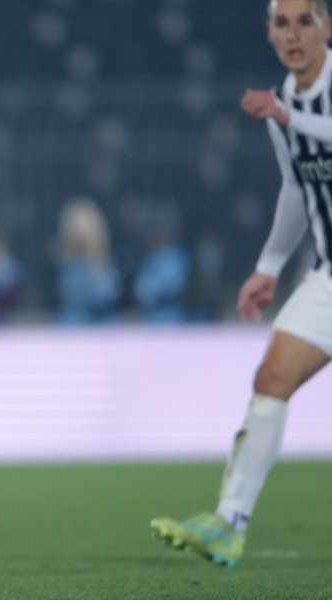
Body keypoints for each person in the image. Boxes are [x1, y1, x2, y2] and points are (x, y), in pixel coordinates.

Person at [151, 0, 332, 567]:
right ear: (269, 33)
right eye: (281, 23)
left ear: (328, 27)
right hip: (329, 276)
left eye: (305, 21)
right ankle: (228, 524)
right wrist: (270, 266)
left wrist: (285, 116)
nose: (293, 34)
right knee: (272, 378)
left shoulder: (289, 108)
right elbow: (296, 189)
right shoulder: (284, 101)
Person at [54, 196, 123, 324]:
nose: (76, 232)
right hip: (72, 326)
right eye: (72, 226)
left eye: (80, 225)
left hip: (101, 328)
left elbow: (105, 297)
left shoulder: (108, 264)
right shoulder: (67, 265)